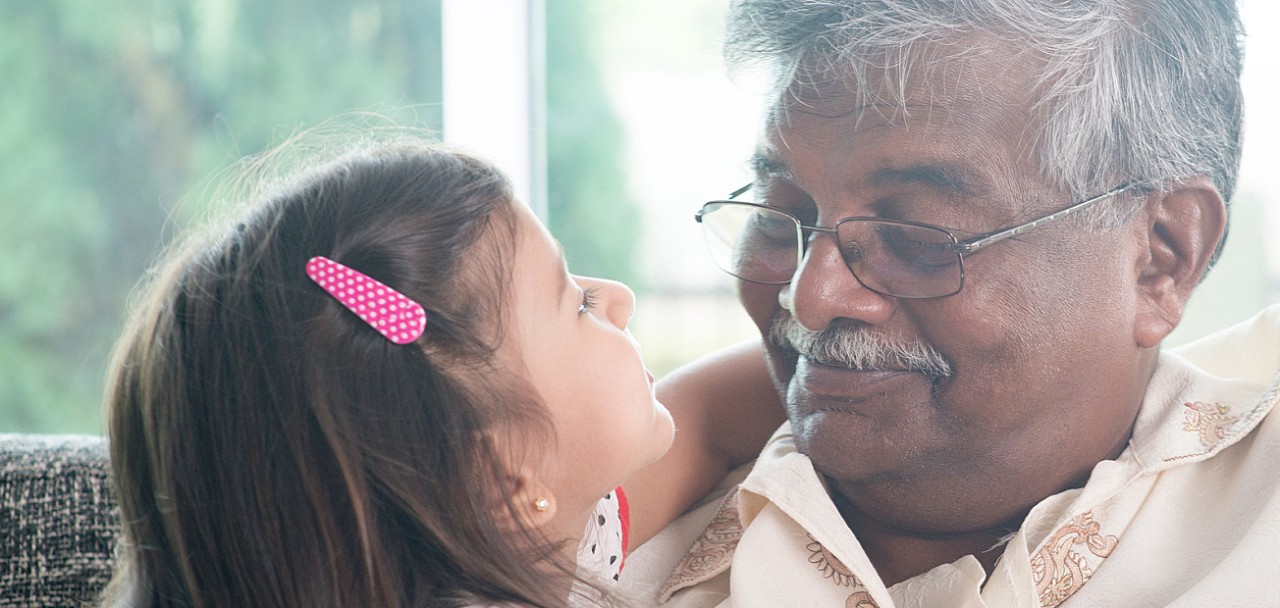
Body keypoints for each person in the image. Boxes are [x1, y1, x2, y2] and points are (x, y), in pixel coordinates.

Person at [620, 0, 1280, 606]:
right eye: (777, 214)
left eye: (913, 235)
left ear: (1162, 258)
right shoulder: (587, 550)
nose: (812, 297)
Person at [99, 135, 781, 608]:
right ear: (503, 481)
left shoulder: (538, 538)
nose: (619, 298)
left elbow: (714, 418)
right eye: (575, 303)